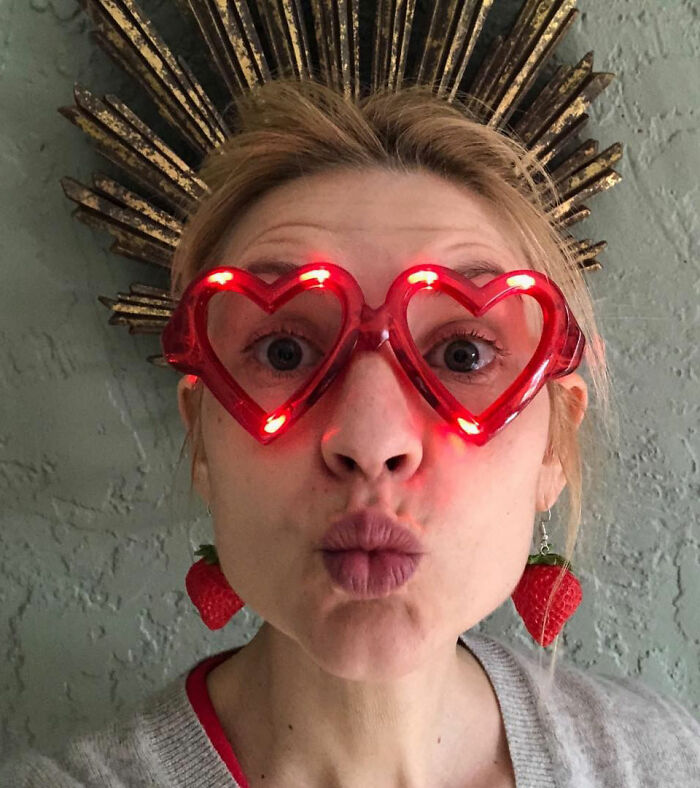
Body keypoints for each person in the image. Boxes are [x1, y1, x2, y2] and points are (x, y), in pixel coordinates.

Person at [3, 78, 699, 788]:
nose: (370, 441)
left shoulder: (665, 763)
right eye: (284, 352)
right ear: (202, 438)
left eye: (463, 354)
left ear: (554, 444)